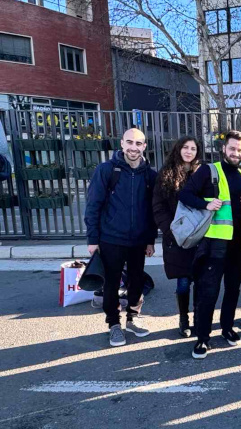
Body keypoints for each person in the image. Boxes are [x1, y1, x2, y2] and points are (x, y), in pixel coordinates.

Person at [178, 131, 241, 359]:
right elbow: (184, 195)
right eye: (232, 149)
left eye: (240, 150)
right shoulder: (208, 171)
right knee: (208, 291)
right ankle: (202, 338)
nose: (236, 153)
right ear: (224, 149)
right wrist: (206, 205)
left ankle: (227, 328)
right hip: (213, 244)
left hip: (238, 245)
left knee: (232, 290)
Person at [85, 128, 157, 347]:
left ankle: (132, 319)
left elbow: (152, 210)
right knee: (111, 284)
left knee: (137, 281)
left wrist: (151, 239)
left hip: (138, 241)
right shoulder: (107, 170)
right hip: (111, 239)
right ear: (122, 144)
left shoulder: (150, 175)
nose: (134, 148)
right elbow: (93, 205)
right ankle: (114, 324)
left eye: (139, 143)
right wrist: (92, 239)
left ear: (144, 146)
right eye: (130, 143)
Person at [152, 137, 202, 338]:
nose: (189, 151)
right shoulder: (166, 174)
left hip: (199, 235)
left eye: (193, 148)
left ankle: (199, 317)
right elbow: (158, 206)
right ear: (178, 149)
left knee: (200, 281)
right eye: (185, 147)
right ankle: (184, 318)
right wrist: (170, 230)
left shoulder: (203, 173)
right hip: (176, 236)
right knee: (183, 282)